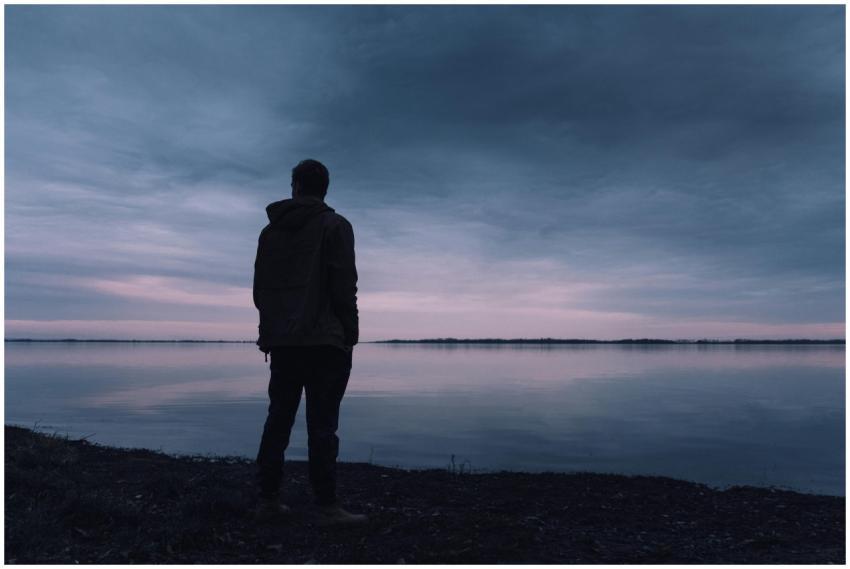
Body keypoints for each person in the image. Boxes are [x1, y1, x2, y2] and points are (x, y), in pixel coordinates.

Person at [252, 158, 365, 525]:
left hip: (284, 342)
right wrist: (351, 333)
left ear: (295, 187)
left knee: (278, 419)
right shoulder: (336, 226)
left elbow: (260, 291)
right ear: (324, 189)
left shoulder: (270, 234)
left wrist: (271, 330)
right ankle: (327, 506)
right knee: (323, 425)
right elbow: (344, 285)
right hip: (324, 342)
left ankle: (267, 500)